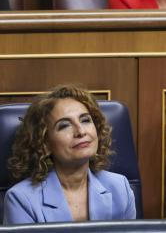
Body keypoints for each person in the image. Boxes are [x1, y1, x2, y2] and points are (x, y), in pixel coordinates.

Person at [3, 85, 136, 224]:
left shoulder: (120, 188)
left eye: (85, 120)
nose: (80, 131)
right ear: (45, 143)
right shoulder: (21, 199)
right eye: (64, 125)